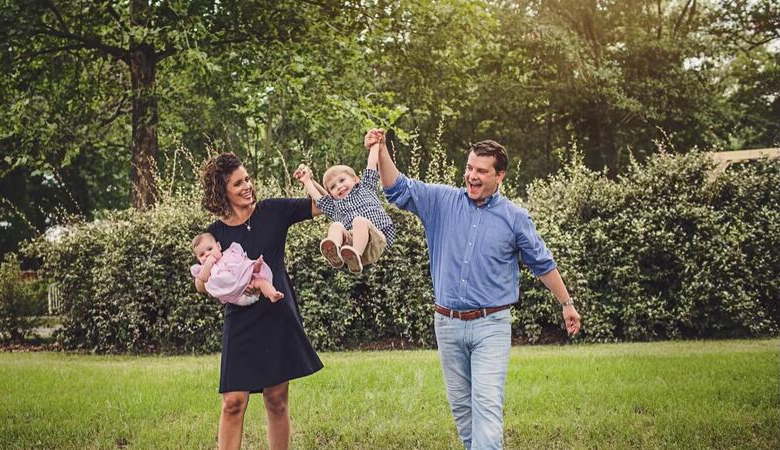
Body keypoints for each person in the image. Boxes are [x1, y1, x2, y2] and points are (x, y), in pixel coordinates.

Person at [365, 128, 582, 450]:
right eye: (469, 168)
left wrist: (566, 303)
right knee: (463, 411)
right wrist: (380, 149)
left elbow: (542, 263)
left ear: (500, 175)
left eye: (481, 171)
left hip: (490, 325)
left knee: (487, 404)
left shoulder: (515, 218)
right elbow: (397, 188)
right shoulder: (441, 201)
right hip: (447, 324)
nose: (472, 176)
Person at [196, 152, 323, 450]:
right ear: (222, 191)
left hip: (277, 309)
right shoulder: (215, 233)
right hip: (240, 319)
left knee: (276, 399)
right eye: (238, 183)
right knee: (233, 402)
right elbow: (201, 285)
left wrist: (308, 179)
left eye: (248, 179)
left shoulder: (273, 211)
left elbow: (321, 206)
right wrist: (205, 275)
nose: (247, 186)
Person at [293, 140, 395, 273]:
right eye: (333, 187)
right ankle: (335, 253)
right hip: (353, 243)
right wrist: (306, 180)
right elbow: (318, 198)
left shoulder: (366, 187)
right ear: (331, 195)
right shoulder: (335, 207)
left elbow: (371, 165)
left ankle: (356, 255)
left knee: (359, 221)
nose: (339, 186)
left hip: (377, 239)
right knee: (336, 226)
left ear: (356, 179)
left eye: (342, 180)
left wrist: (375, 145)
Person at [190, 232, 284, 305]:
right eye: (202, 255)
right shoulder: (203, 268)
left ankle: (272, 294)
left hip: (250, 286)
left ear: (218, 246)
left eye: (210, 249)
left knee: (261, 282)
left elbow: (242, 265)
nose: (207, 254)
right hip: (238, 298)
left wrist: (251, 268)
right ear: (198, 259)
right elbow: (202, 280)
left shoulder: (230, 254)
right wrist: (207, 266)